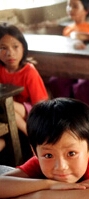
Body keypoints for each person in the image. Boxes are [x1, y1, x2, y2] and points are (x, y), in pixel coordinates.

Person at [0, 98, 89, 199]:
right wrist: (50, 184)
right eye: (48, 155)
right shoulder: (39, 162)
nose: (61, 166)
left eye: (71, 153)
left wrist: (39, 197)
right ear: (35, 151)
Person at [0, 23, 48, 152]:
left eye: (15, 47)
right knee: (7, 107)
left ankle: (33, 137)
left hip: (30, 112)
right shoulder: (0, 70)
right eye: (3, 48)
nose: (10, 53)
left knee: (8, 106)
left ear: (23, 47)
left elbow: (41, 105)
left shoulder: (29, 71)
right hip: (5, 111)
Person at [48, 0, 89, 118]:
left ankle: (87, 116)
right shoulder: (67, 29)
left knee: (82, 85)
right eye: (69, 5)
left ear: (86, 10)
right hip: (70, 68)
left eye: (75, 6)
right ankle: (64, 114)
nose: (70, 9)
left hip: (87, 68)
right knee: (55, 81)